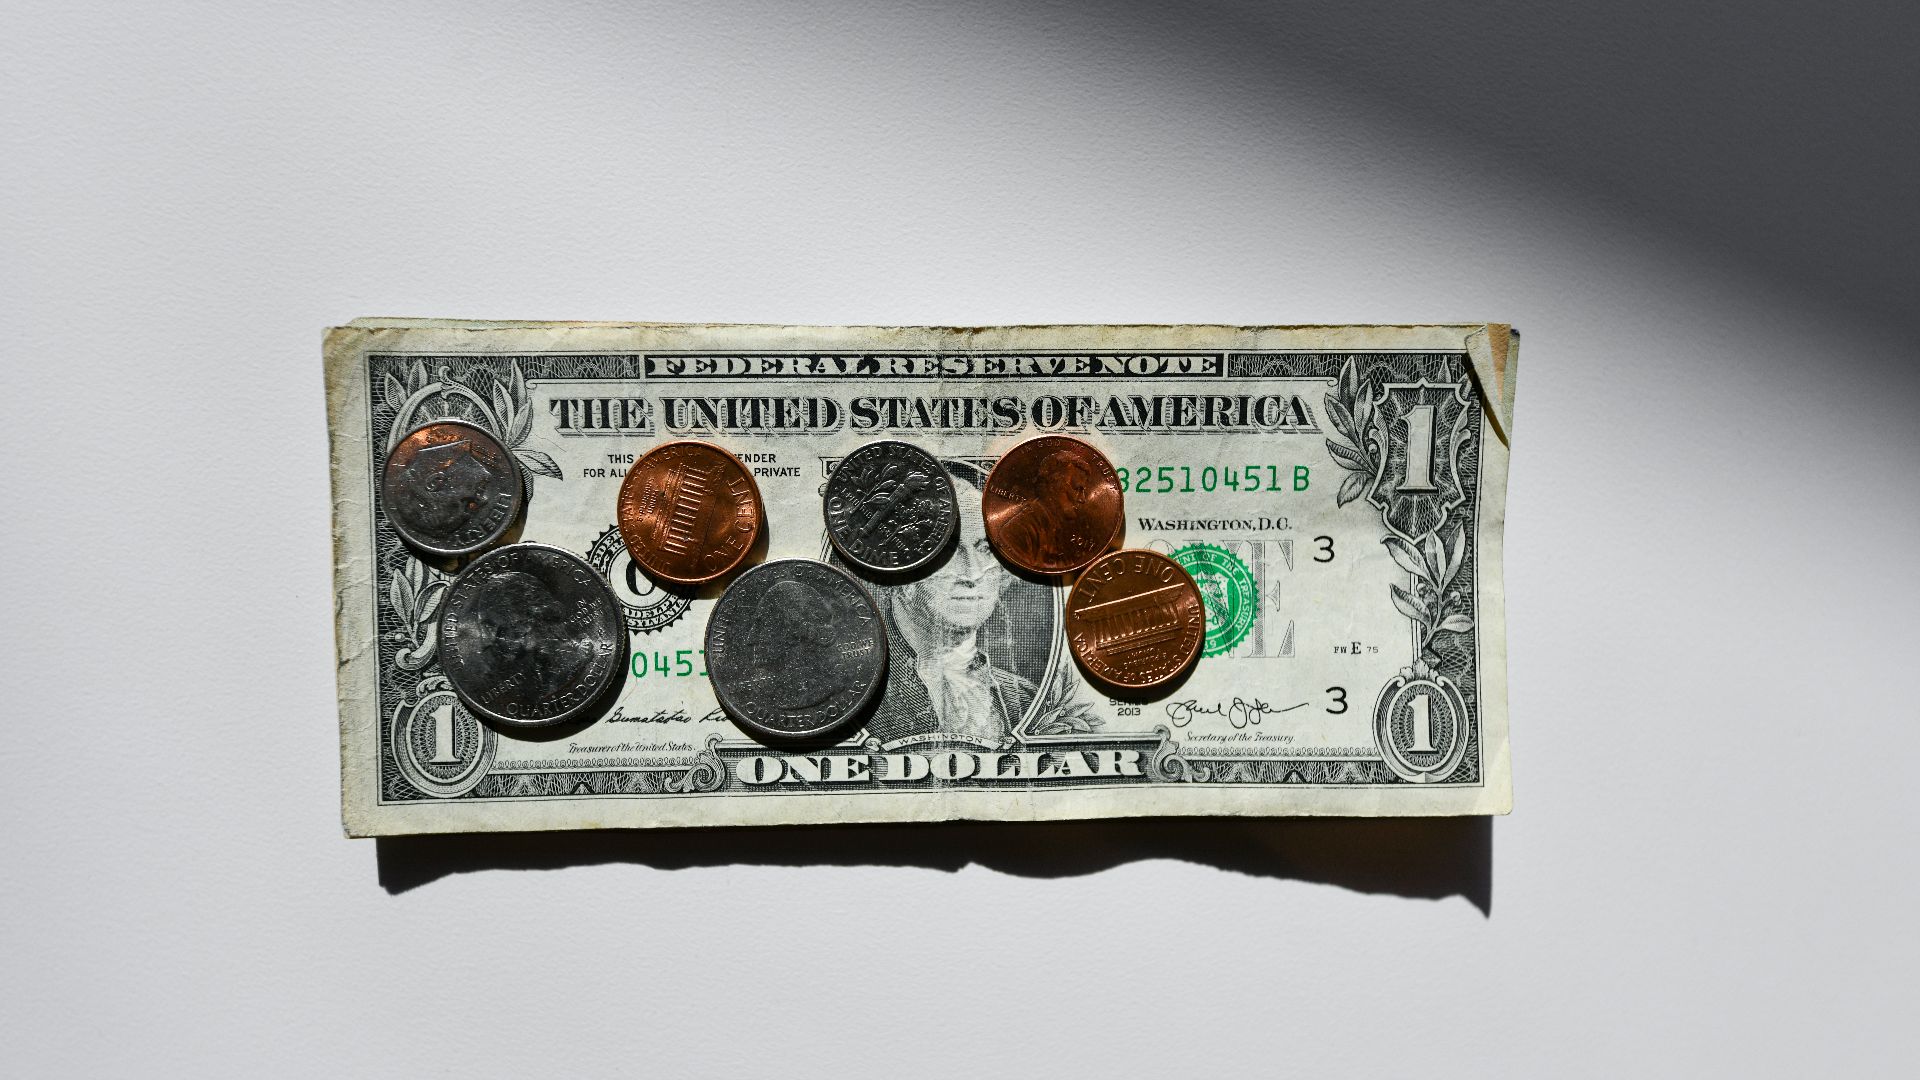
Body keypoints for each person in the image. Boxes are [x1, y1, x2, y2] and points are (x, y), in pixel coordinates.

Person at [864, 466, 1100, 746]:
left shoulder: (1026, 700)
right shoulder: (857, 695)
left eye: (986, 549)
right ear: (895, 564)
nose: (973, 573)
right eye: (946, 551)